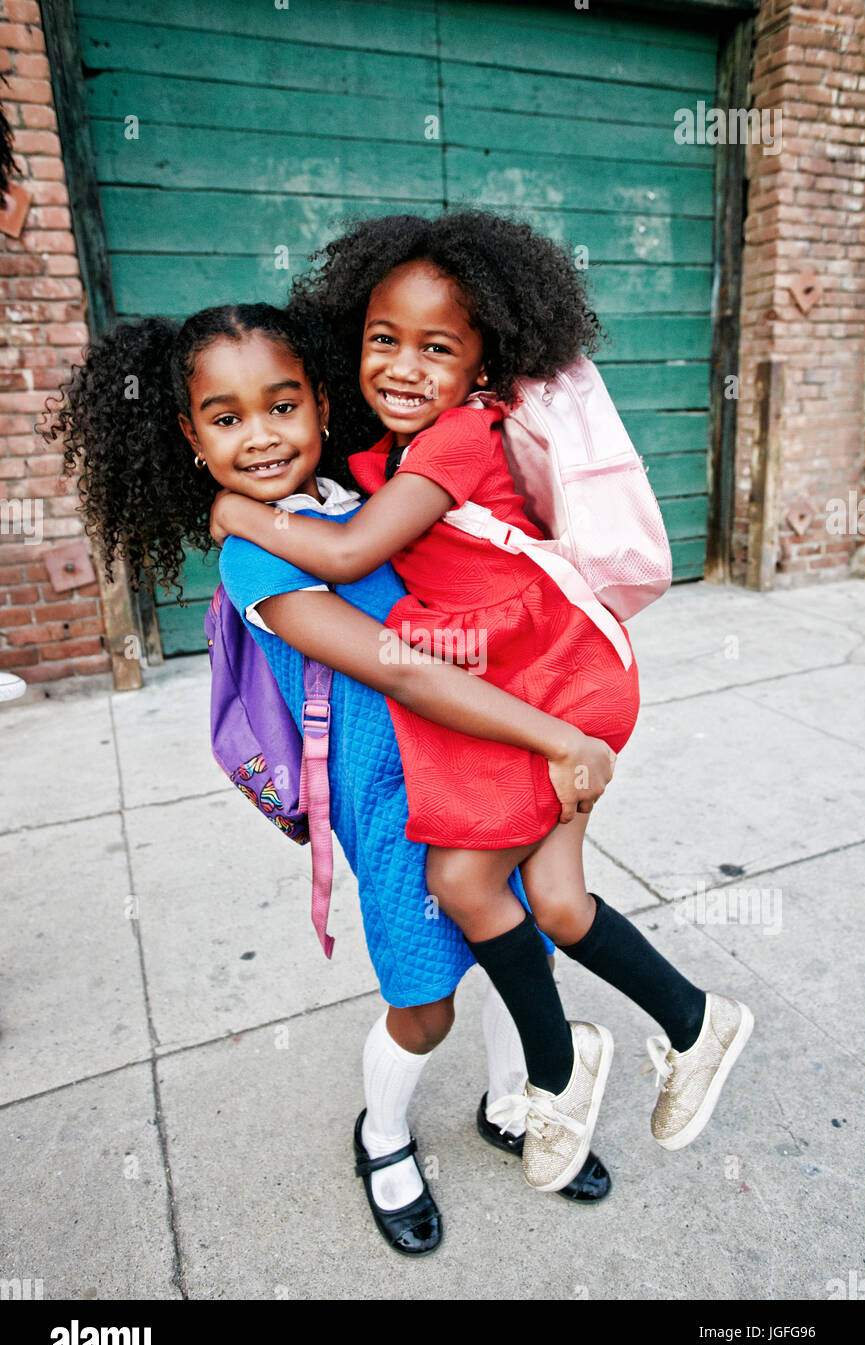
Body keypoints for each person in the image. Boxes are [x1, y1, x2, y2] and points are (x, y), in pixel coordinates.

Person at [42, 298, 612, 1259]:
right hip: (391, 802)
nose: (261, 437)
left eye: (282, 405)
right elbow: (396, 664)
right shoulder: (252, 558)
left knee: (522, 949)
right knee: (425, 998)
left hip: (480, 765)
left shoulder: (361, 495)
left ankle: (517, 1104)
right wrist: (557, 735)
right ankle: (382, 1137)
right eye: (226, 419)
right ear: (189, 435)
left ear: (319, 400)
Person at [210, 212, 754, 1192]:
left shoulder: (442, 446)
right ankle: (688, 1023)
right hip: (507, 713)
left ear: (480, 367)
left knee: (472, 891)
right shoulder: (367, 473)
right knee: (542, 905)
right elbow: (386, 621)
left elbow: (350, 560)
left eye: (437, 347)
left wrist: (231, 508)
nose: (406, 366)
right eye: (384, 340)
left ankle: (549, 1077)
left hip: (549, 687)